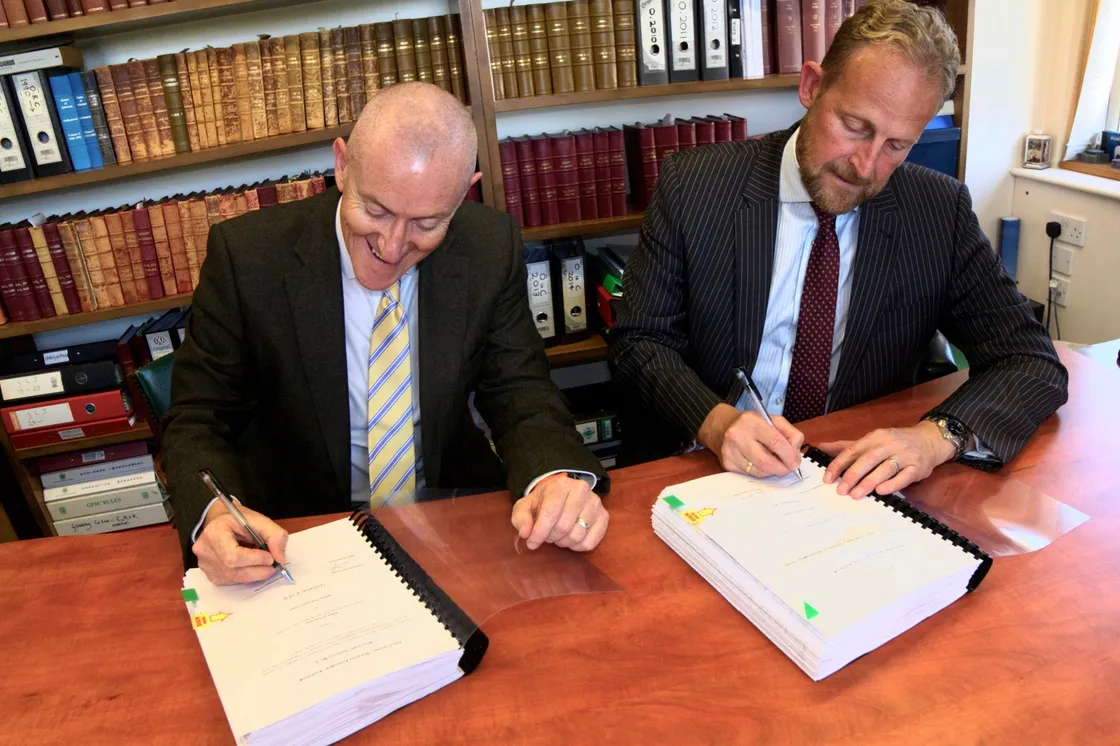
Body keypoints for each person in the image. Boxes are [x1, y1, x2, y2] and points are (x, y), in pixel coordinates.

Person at [610, 0, 1067, 501]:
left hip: (845, 486)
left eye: (897, 145)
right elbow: (639, 342)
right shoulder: (696, 186)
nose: (865, 167)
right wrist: (717, 423)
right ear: (811, 86)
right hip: (702, 469)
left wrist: (935, 438)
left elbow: (1030, 360)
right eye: (856, 126)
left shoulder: (937, 210)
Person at [164, 83, 610, 585]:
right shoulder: (248, 257)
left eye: (426, 222)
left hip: (452, 518)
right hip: (298, 534)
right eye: (375, 211)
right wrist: (216, 514)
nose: (393, 246)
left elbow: (520, 391)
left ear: (464, 192)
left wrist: (553, 476)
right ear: (342, 164)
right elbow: (199, 418)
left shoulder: (489, 245)